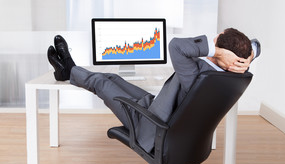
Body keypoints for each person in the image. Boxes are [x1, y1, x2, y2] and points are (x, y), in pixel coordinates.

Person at [47, 28, 261, 153]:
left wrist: (215, 50)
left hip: (151, 126)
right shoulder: (236, 73)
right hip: (161, 111)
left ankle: (68, 68)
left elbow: (176, 45)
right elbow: (255, 45)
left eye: (216, 39)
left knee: (102, 84)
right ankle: (68, 70)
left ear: (222, 52)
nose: (212, 38)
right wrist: (247, 57)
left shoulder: (196, 71)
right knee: (113, 77)